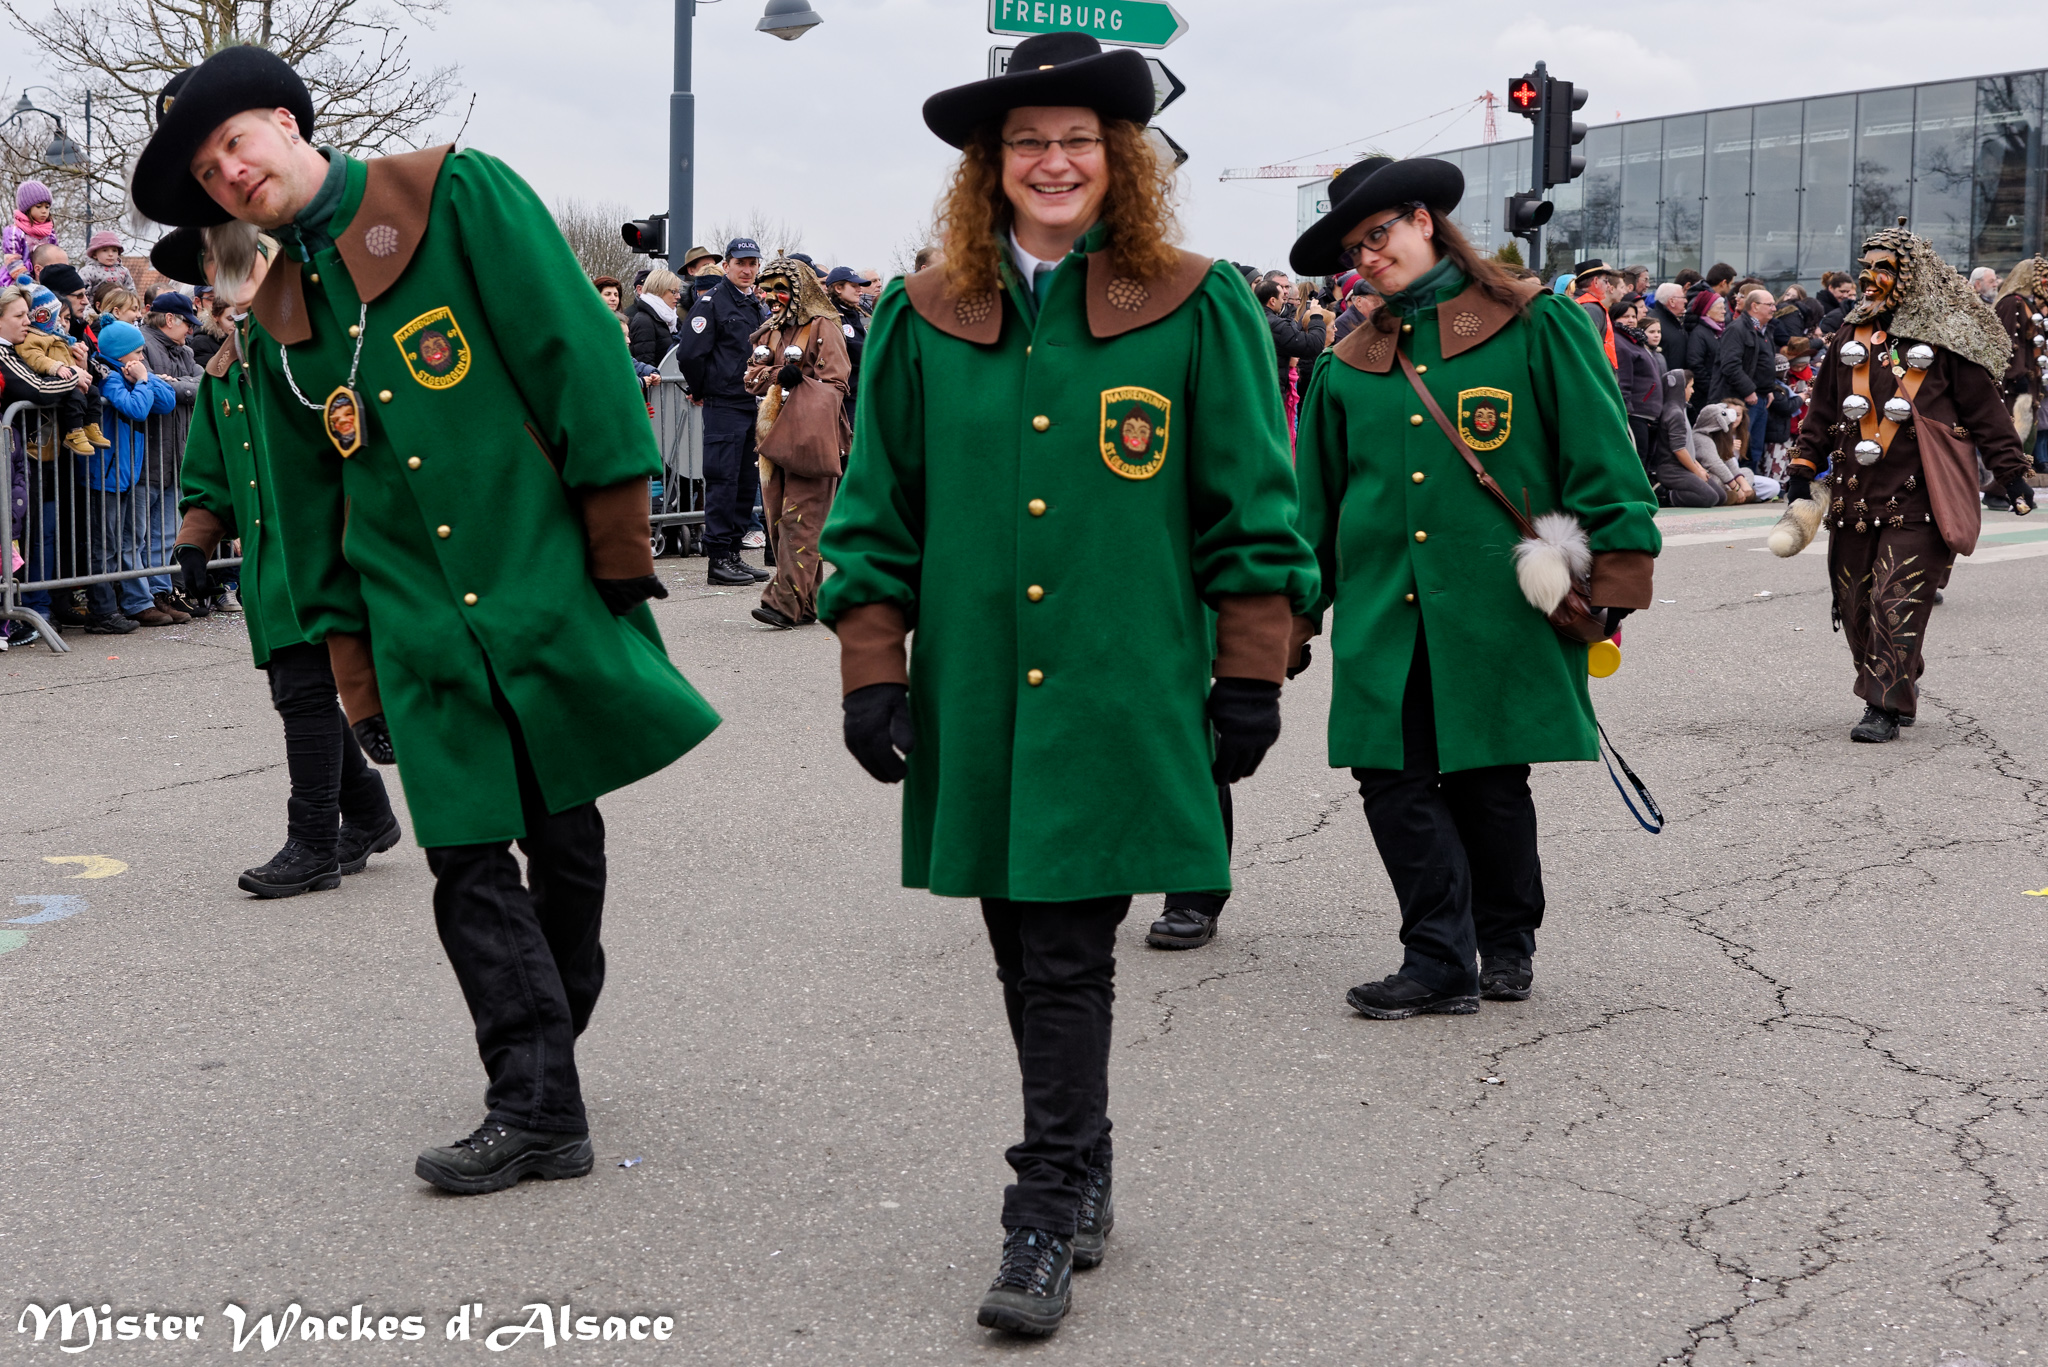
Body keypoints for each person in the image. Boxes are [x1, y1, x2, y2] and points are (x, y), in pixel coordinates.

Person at [131, 43, 723, 1193]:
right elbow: (309, 511)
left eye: (234, 143)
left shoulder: (454, 193)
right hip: (415, 626)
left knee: (566, 843)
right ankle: (535, 1103)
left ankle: (549, 1032)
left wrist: (616, 549)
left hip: (539, 582)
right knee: (464, 859)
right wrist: (355, 671)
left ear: (287, 123)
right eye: (208, 171)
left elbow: (579, 359)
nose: (230, 175)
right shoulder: (285, 312)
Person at [819, 32, 1318, 1337]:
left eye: (1079, 141)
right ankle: (1084, 1154)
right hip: (977, 695)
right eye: (1029, 142)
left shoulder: (1198, 303)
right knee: (1017, 941)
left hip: (1122, 687)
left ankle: (1040, 1208)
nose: (1054, 161)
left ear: (1120, 161)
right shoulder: (919, 314)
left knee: (1065, 952)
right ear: (993, 166)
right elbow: (874, 512)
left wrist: (1248, 671)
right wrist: (874, 668)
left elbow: (1252, 505)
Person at [1288, 155, 1659, 1020]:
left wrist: (1616, 577)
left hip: (1498, 604)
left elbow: (1603, 459)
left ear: (1424, 219)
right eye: (1354, 248)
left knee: (1490, 780)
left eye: (1377, 235)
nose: (1368, 258)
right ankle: (1437, 955)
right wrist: (1292, 619)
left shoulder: (1537, 325)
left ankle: (1508, 939)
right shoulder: (1347, 368)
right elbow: (1313, 510)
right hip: (1384, 614)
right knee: (1390, 777)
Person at [156, 225, 403, 896]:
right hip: (272, 561)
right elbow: (209, 465)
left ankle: (314, 842)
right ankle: (371, 816)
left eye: (238, 256)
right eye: (214, 265)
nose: (225, 274)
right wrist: (195, 539)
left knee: (304, 690)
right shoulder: (224, 368)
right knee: (299, 691)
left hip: (328, 551)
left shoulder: (310, 345)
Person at [1782, 223, 2033, 742]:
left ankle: (1883, 707)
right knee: (1853, 604)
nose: (1870, 278)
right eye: (1866, 266)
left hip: (1918, 498)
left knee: (1895, 600)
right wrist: (1803, 469)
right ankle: (1897, 678)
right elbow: (1822, 412)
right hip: (1853, 497)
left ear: (1910, 277)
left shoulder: (1944, 344)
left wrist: (2011, 474)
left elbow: (1987, 414)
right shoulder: (1848, 339)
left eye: (1884, 268)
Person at [746, 257, 849, 630]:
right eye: (767, 289)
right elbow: (751, 378)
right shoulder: (770, 331)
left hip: (811, 437)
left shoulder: (824, 326)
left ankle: (783, 603)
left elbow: (837, 381)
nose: (772, 297)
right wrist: (778, 374)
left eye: (780, 288)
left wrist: (801, 382)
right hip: (773, 438)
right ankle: (808, 604)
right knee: (778, 522)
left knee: (799, 522)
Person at [675, 236, 772, 587]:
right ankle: (718, 558)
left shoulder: (755, 305)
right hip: (724, 403)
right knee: (722, 480)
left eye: (752, 264)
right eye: (741, 263)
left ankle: (732, 552)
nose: (747, 270)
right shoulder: (712, 303)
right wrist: (702, 389)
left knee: (745, 483)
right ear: (727, 265)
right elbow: (689, 355)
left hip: (750, 403)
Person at [83, 319, 179, 630]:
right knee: (105, 544)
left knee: (119, 541)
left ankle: (118, 604)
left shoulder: (132, 373)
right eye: (138, 352)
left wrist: (146, 377)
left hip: (124, 475)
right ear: (123, 354)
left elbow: (167, 402)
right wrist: (141, 382)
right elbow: (137, 410)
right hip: (105, 475)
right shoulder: (110, 378)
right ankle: (102, 610)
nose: (142, 357)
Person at [140, 290, 206, 619]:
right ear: (169, 320)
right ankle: (145, 597)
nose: (190, 331)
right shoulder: (143, 343)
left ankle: (161, 592)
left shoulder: (184, 350)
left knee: (166, 534)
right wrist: (182, 386)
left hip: (174, 456)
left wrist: (176, 385)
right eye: (186, 323)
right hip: (148, 457)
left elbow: (203, 380)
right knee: (139, 535)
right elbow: (151, 388)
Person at [1994, 255, 2047, 470]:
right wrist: (2017, 375)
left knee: (2026, 435)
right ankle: (2003, 487)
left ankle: (2010, 487)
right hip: (2016, 384)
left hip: (2029, 380)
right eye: (2043, 277)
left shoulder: (2027, 305)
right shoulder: (2012, 304)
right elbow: (2009, 342)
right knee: (2014, 434)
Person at [1649, 369, 1725, 506]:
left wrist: (1699, 467)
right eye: (1690, 387)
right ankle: (1663, 496)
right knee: (1709, 498)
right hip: (1671, 469)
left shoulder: (1681, 409)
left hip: (1683, 466)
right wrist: (1696, 471)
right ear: (1679, 389)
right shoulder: (1674, 413)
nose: (1693, 391)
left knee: (1721, 496)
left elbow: (1687, 447)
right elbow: (1679, 449)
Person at [821, 264, 870, 422]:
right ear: (838, 288)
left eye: (860, 286)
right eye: (854, 286)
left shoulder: (855, 313)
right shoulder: (832, 317)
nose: (859, 290)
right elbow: (856, 351)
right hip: (845, 398)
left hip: (862, 394)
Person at [626, 266, 682, 367]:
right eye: (674, 292)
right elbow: (645, 365)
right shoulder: (643, 322)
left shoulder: (672, 320)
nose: (678, 296)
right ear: (658, 290)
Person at [5, 181, 57, 262]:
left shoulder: (50, 234)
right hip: (19, 273)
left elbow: (55, 258)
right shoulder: (15, 232)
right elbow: (12, 261)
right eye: (39, 206)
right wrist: (24, 274)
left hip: (45, 273)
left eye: (47, 207)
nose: (44, 211)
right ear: (27, 209)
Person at [1649, 281, 1690, 371]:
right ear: (1672, 301)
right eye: (1683, 297)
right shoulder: (1653, 322)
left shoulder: (1676, 320)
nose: (1686, 301)